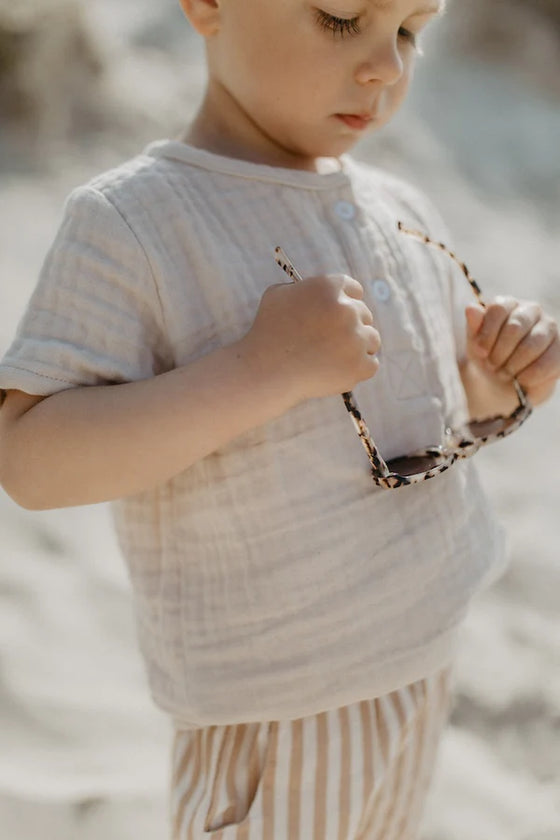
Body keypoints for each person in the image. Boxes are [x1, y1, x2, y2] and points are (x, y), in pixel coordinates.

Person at [0, 0, 559, 837]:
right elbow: (32, 459)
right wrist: (257, 370)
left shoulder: (400, 205)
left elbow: (434, 407)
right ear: (208, 6)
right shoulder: (136, 221)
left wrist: (492, 374)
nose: (387, 68)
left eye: (409, 31)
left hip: (422, 664)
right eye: (341, 19)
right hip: (278, 701)